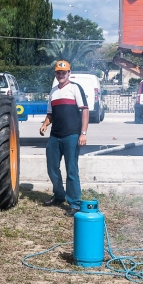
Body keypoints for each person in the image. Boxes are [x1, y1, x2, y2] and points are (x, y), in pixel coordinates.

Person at [39, 60, 89, 217]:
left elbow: (85, 111)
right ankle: (59, 196)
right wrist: (45, 124)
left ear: (69, 73)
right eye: (58, 72)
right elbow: (50, 114)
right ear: (56, 74)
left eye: (64, 72)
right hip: (55, 136)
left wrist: (83, 133)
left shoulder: (75, 88)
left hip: (72, 136)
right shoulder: (53, 92)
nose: (61, 75)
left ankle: (74, 203)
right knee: (52, 167)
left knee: (71, 170)